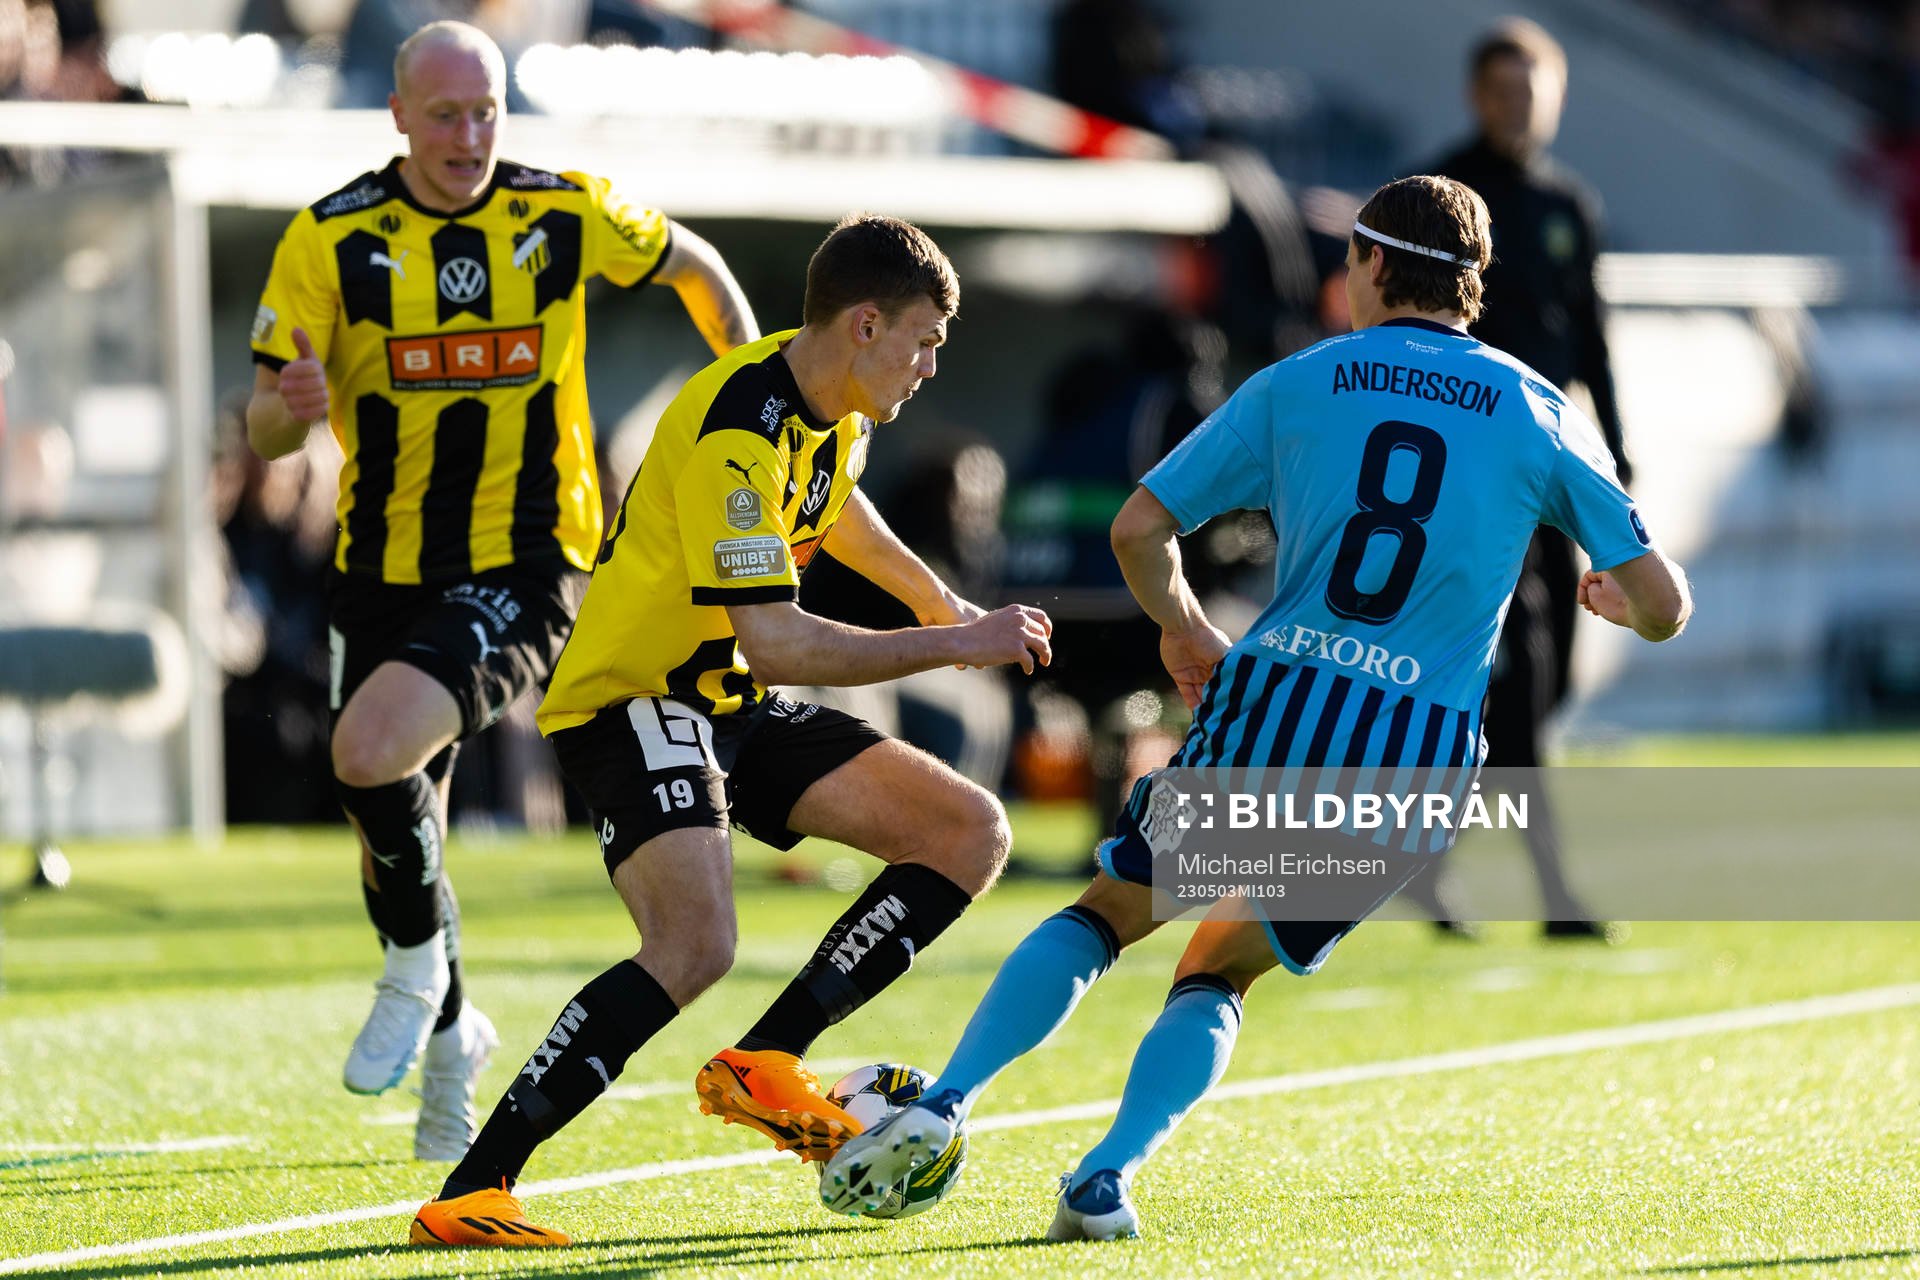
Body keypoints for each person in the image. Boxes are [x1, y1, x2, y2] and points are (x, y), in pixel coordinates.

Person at [821, 175, 1690, 1239]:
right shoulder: (1533, 406)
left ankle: (947, 1098)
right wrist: (1610, 595)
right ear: (1474, 288)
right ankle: (1105, 1174)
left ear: (1370, 266)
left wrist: (1182, 627)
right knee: (1220, 965)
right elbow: (1664, 606)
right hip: (1407, 759)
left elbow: (1140, 527)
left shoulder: (1302, 381)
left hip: (1273, 706)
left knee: (1107, 915)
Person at [406, 214, 1054, 1248]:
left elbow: (840, 511)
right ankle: (472, 1190)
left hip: (723, 703)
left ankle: (764, 1057)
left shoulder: (842, 406)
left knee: (968, 830)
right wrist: (955, 641)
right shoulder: (736, 429)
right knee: (697, 942)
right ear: (866, 323)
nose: (933, 365)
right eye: (925, 340)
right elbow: (781, 639)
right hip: (628, 700)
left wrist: (937, 601)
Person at [244, 19, 759, 1164]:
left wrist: (747, 402)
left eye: (485, 112)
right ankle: (450, 1043)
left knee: (372, 750)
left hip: (530, 563)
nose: (469, 135)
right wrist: (292, 399)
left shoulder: (563, 210)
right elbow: (267, 428)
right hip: (376, 569)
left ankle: (415, 970)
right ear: (397, 117)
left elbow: (695, 266)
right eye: (444, 114)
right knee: (392, 826)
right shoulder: (332, 238)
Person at [1417, 18, 1632, 935]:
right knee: (1518, 669)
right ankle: (1552, 892)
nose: (1516, 109)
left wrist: (1615, 455)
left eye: (1530, 93)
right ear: (1477, 95)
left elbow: (1589, 336)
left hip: (1552, 466)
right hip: (1472, 474)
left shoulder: (1567, 205)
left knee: (1544, 681)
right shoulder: (1442, 199)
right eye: (1501, 92)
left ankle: (1429, 860)